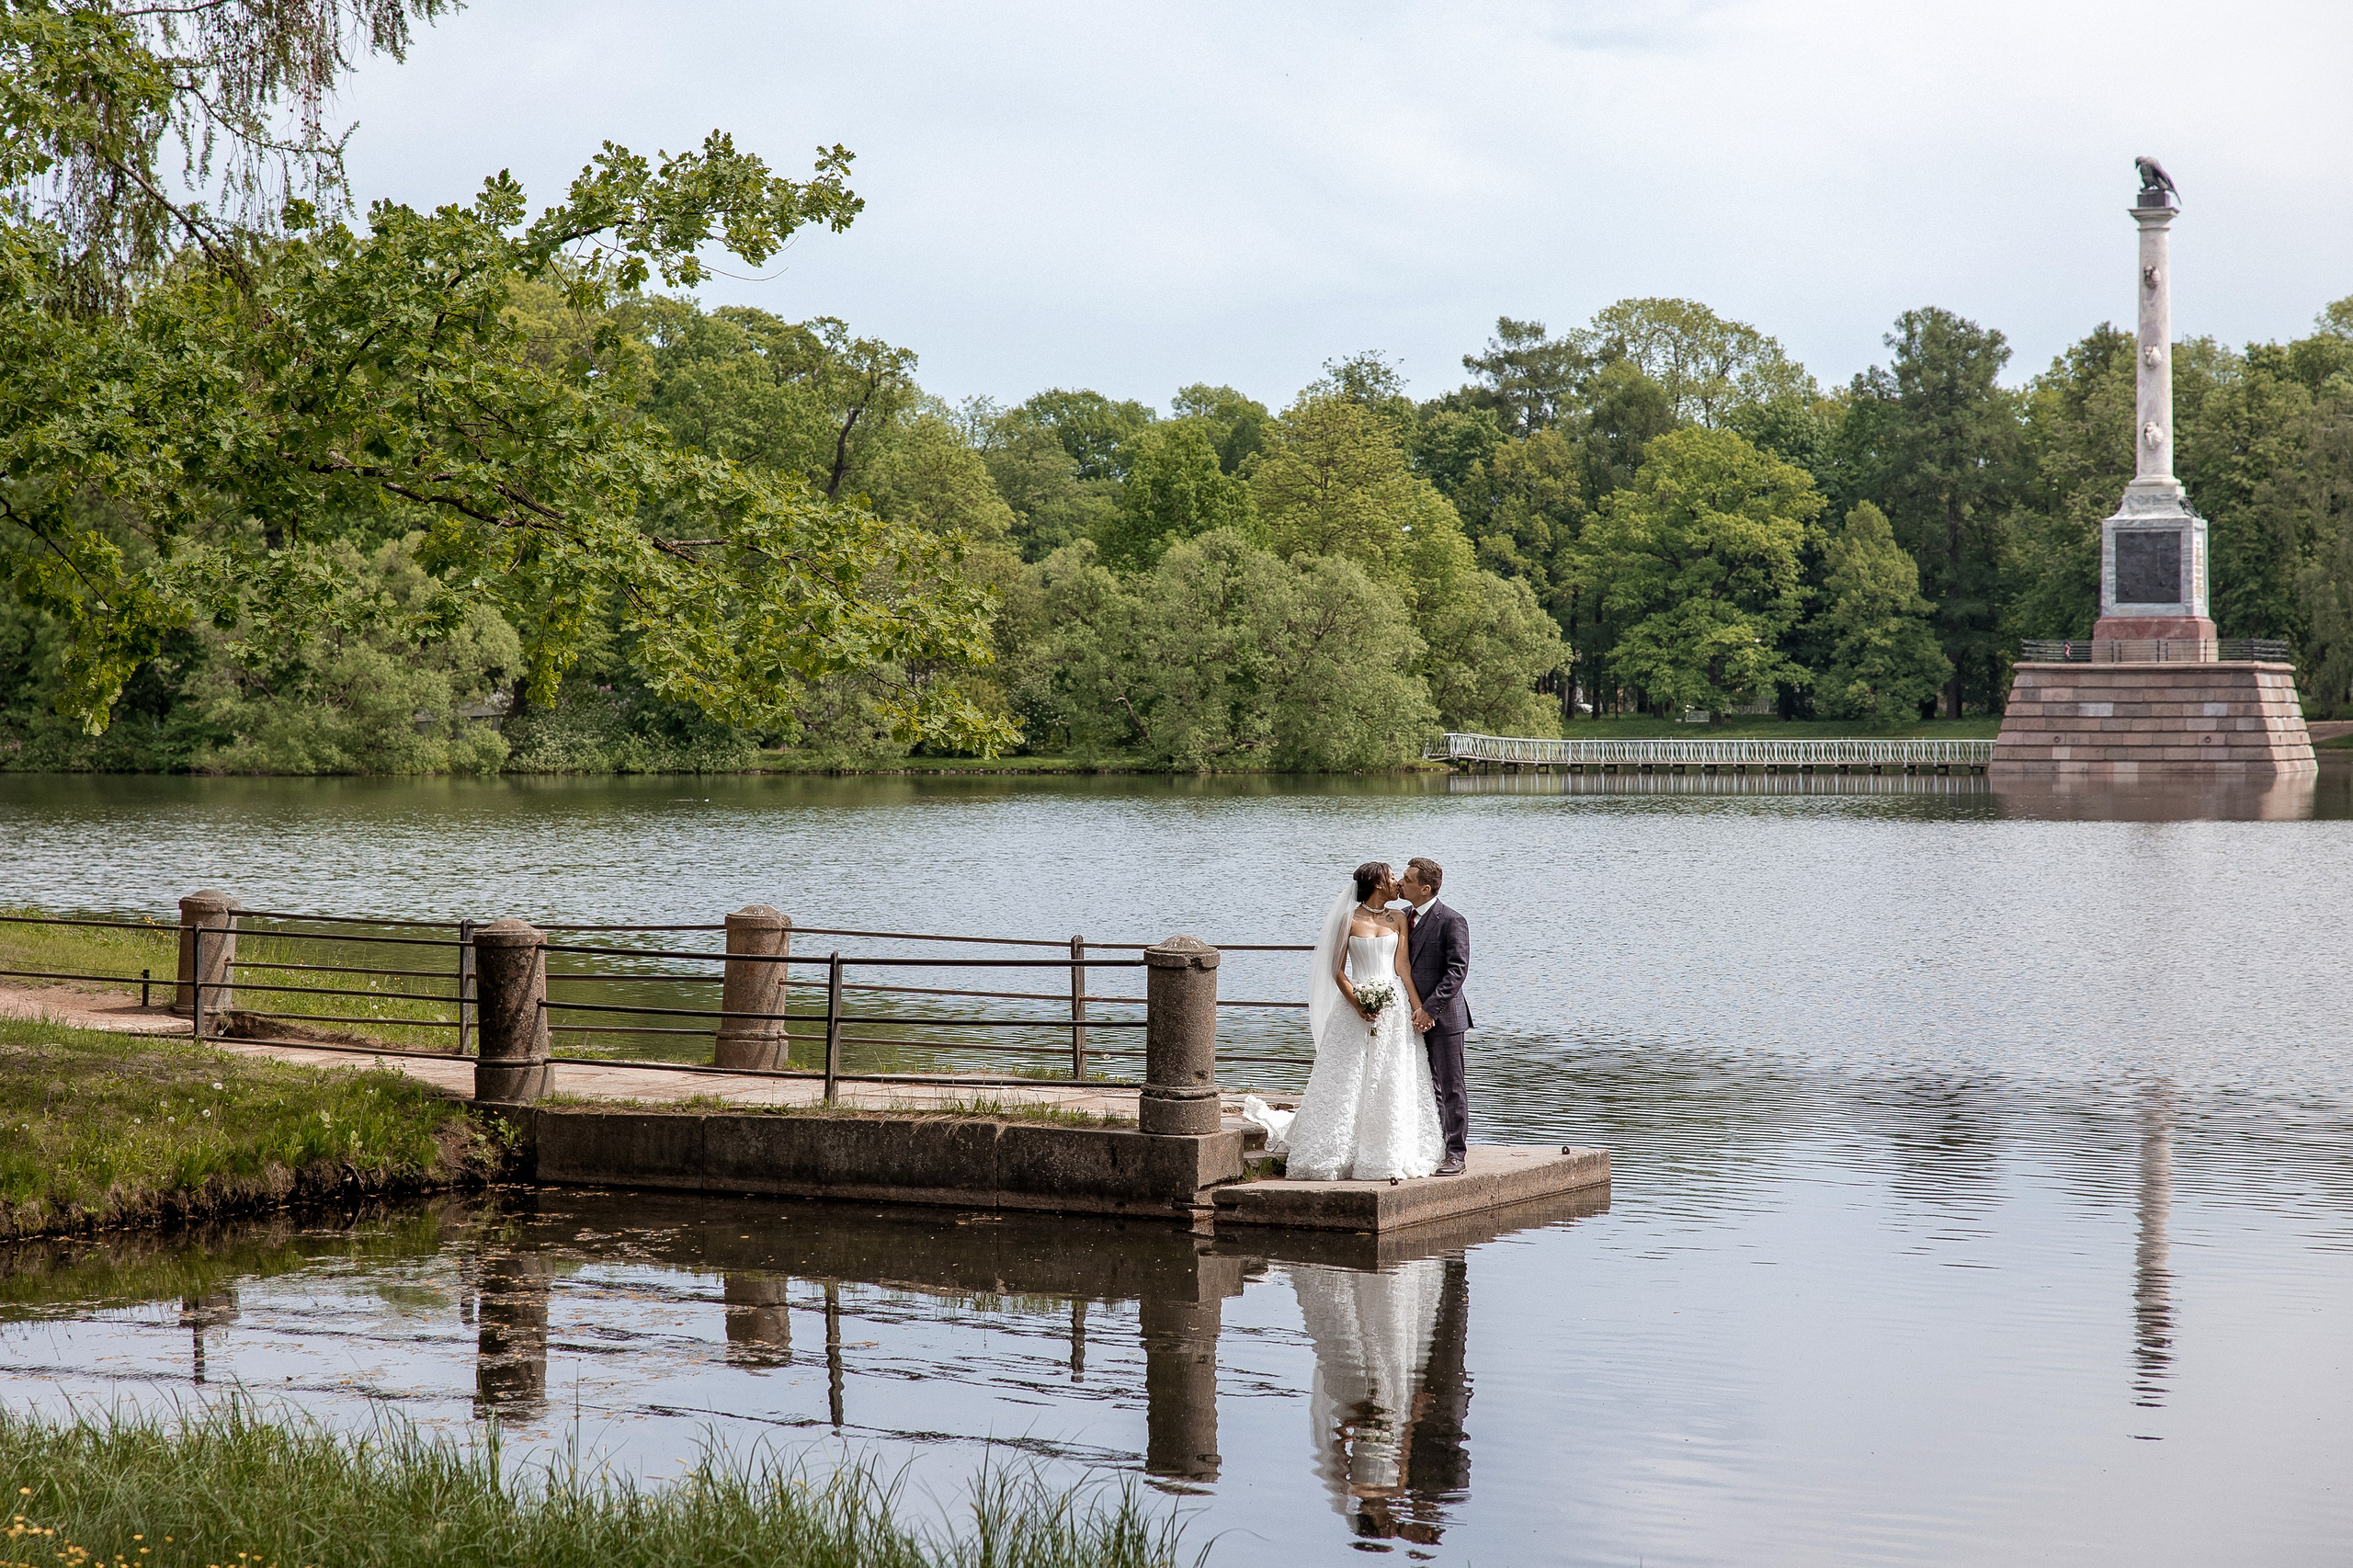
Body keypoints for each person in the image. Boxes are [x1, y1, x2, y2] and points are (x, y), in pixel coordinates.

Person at [1245, 861, 1445, 1181]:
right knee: (1349, 1076)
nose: (1396, 882)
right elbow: (1337, 971)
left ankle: (1384, 1149)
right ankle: (1338, 1150)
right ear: (1377, 884)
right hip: (1355, 1003)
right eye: (1391, 877)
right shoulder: (1348, 920)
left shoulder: (1399, 919)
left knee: (1390, 1076)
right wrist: (1359, 1004)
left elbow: (1403, 968)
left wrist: (1419, 1009)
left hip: (1393, 1007)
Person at [1399, 857, 1471, 1176]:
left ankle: (1456, 1153)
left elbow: (1457, 971)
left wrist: (1429, 1009)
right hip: (1407, 1016)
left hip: (1444, 1017)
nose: (1400, 883)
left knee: (1451, 1085)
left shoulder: (1451, 920)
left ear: (1425, 888)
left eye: (1407, 879)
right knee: (1421, 1085)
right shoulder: (1400, 917)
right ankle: (1431, 1146)